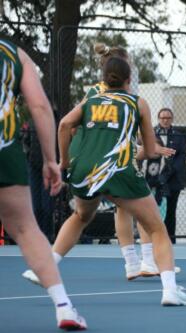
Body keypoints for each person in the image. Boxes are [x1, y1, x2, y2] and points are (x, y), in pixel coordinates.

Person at [21, 44, 179, 284]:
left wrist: (68, 158)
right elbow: (96, 130)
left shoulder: (93, 94)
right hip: (114, 160)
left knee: (89, 214)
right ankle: (148, 262)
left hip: (86, 162)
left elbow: (69, 125)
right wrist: (147, 150)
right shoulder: (127, 99)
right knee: (148, 216)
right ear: (124, 73)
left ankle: (132, 263)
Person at [60, 57, 186, 305]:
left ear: (103, 78)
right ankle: (170, 292)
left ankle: (45, 265)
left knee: (80, 217)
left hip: (86, 172)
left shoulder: (90, 100)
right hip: (120, 170)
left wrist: (64, 162)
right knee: (157, 228)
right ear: (129, 80)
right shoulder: (136, 102)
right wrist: (152, 148)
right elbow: (150, 150)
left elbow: (65, 124)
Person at [0, 39, 87, 330]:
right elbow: (39, 105)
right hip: (4, 151)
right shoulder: (14, 55)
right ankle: (64, 306)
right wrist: (52, 160)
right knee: (26, 228)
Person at [153, 107, 186, 244]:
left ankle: (170, 239)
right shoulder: (151, 134)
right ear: (159, 119)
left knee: (171, 212)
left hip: (173, 180)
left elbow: (181, 156)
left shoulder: (178, 135)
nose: (165, 120)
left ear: (172, 119)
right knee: (152, 211)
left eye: (168, 118)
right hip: (153, 179)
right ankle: (153, 239)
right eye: (163, 118)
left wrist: (169, 172)